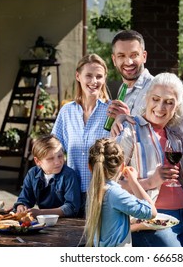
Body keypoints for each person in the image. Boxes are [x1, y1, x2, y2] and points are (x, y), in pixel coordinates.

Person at [114, 72, 183, 247]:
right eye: (156, 99)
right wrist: (150, 181)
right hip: (151, 219)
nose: (161, 107)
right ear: (146, 98)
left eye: (169, 102)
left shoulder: (175, 137)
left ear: (177, 107)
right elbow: (110, 184)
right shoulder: (129, 131)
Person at [51, 53, 111, 216]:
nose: (94, 81)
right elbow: (53, 149)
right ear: (78, 76)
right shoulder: (67, 111)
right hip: (71, 195)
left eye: (99, 76)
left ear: (105, 78)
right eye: (89, 76)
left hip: (103, 194)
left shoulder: (112, 112)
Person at [85, 138, 157, 247]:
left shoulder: (94, 190)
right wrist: (133, 181)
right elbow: (151, 212)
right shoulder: (115, 193)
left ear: (90, 167)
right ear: (122, 167)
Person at [14, 134, 81, 218]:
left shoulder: (69, 175)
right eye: (50, 158)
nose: (57, 162)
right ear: (37, 161)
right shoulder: (32, 174)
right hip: (44, 222)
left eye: (60, 156)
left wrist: (41, 213)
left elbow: (71, 208)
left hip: (67, 223)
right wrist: (20, 206)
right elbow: (24, 199)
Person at [107, 30, 154, 117]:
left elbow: (165, 130)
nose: (128, 62)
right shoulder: (123, 88)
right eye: (121, 56)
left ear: (144, 57)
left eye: (134, 55)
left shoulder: (156, 88)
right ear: (114, 60)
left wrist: (126, 118)